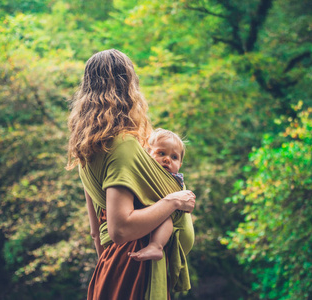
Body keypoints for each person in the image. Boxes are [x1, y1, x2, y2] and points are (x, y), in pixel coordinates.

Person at [66, 49, 195, 300]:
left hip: (113, 264)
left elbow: (96, 230)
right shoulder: (122, 146)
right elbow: (120, 228)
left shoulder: (87, 150)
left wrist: (109, 266)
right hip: (136, 269)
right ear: (128, 87)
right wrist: (174, 201)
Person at [128, 128, 186, 262]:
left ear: (180, 164)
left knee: (166, 219)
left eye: (174, 157)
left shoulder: (175, 180)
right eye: (161, 153)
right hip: (141, 217)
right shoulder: (146, 171)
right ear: (147, 155)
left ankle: (156, 246)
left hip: (161, 215)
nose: (167, 159)